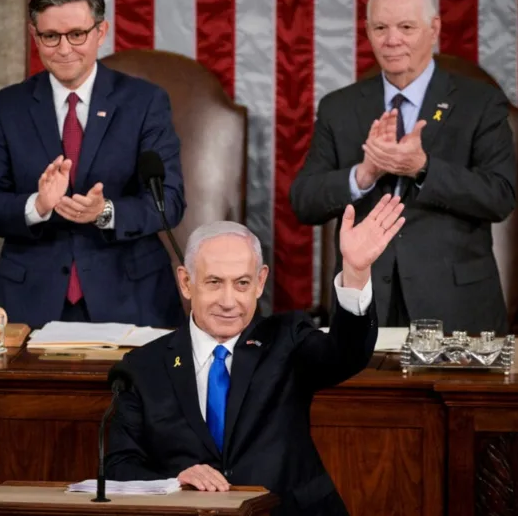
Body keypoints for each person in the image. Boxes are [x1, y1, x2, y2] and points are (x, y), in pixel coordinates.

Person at [106, 195, 405, 516]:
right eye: (214, 282)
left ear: (260, 282)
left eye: (242, 283)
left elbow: (347, 354)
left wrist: (355, 273)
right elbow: (119, 467)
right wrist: (172, 481)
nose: (228, 300)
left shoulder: (287, 340)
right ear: (186, 282)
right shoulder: (142, 368)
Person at [289, 0, 516, 335]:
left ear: (434, 29)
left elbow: (500, 196)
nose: (392, 40)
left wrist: (422, 168)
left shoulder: (480, 103)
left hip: (456, 307)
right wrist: (363, 175)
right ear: (367, 31)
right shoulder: (339, 107)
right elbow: (304, 202)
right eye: (380, 28)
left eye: (406, 27)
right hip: (366, 303)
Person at [0, 0, 186, 329]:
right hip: (32, 302)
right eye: (51, 36)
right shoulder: (6, 108)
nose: (64, 49)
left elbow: (169, 202)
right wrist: (37, 206)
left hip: (131, 297)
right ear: (34, 35)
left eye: (76, 35)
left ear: (101, 32)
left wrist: (105, 211)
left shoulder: (144, 103)